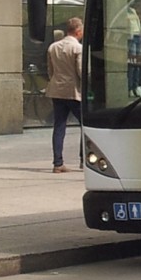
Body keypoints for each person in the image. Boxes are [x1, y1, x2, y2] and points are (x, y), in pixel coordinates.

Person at [45, 17, 84, 173]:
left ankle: (58, 163)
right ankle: (83, 159)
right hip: (73, 91)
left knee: (59, 126)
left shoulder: (53, 47)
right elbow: (80, 71)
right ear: (78, 31)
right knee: (85, 125)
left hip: (56, 90)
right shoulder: (77, 48)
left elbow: (50, 71)